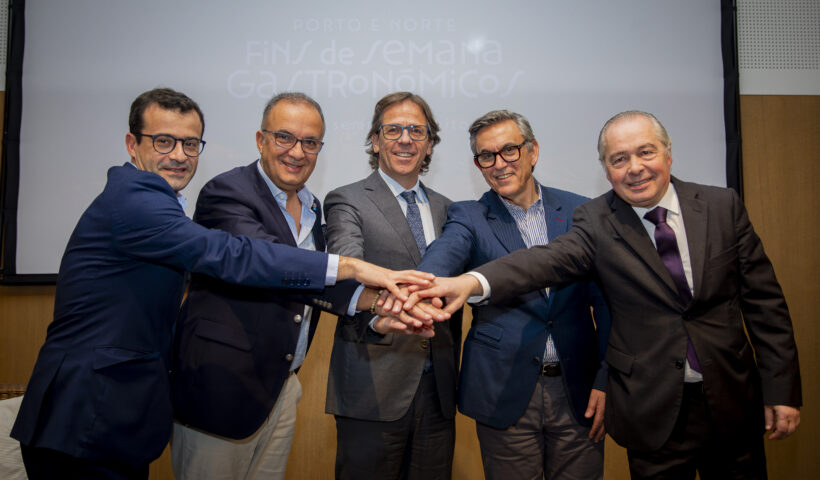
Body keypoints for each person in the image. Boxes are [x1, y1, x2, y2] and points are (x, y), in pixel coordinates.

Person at [10, 88, 435, 480]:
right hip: (96, 408)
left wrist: (374, 305)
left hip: (232, 393)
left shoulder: (306, 207)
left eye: (190, 144)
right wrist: (353, 267)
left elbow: (299, 283)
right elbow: (239, 256)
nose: (179, 155)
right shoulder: (150, 199)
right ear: (132, 144)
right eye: (164, 141)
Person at [411, 110, 802, 479]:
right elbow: (540, 261)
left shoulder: (709, 207)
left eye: (645, 152)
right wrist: (454, 284)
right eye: (619, 159)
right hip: (600, 402)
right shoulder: (580, 220)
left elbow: (763, 305)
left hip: (716, 399)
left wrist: (781, 390)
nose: (635, 168)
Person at [413, 109, 611, 479]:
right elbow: (444, 255)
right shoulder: (469, 216)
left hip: (578, 389)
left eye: (509, 150)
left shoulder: (581, 211)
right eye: (486, 156)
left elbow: (605, 303)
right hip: (502, 389)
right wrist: (421, 286)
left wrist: (606, 378)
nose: (499, 164)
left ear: (532, 151)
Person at [324, 92, 461, 479]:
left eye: (417, 131)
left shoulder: (450, 209)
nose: (405, 139)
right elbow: (345, 268)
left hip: (438, 393)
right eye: (393, 130)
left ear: (429, 143)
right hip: (372, 387)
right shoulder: (347, 199)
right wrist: (380, 312)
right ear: (375, 140)